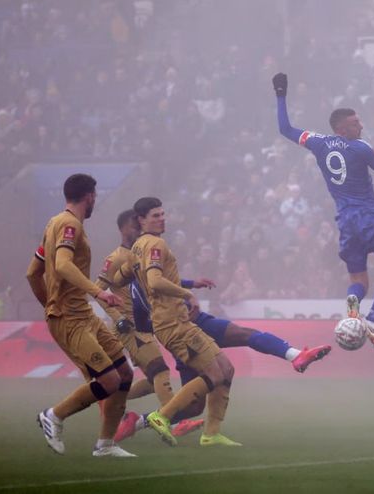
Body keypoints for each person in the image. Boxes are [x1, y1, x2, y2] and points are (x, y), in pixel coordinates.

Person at [272, 73, 374, 351]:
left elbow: (285, 128)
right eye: (354, 123)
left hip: (346, 223)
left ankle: (352, 314)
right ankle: (372, 319)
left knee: (358, 280)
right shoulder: (361, 148)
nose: (360, 126)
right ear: (341, 129)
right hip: (370, 217)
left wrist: (281, 94)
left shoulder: (318, 142)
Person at [115, 276, 331, 442]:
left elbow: (162, 284)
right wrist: (173, 315)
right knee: (201, 397)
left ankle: (139, 422)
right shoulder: (144, 261)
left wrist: (191, 285)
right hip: (185, 331)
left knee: (197, 404)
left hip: (190, 326)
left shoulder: (143, 267)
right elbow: (152, 293)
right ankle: (147, 419)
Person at [25, 173, 135, 458]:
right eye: (95, 196)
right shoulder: (70, 225)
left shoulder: (54, 224)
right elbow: (62, 265)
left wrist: (49, 303)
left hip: (83, 315)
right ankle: (53, 415)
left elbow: (33, 272)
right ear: (89, 196)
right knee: (109, 381)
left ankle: (105, 444)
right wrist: (97, 293)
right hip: (71, 319)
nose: (95, 200)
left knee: (125, 373)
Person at [116, 197, 239, 447]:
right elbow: (154, 281)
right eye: (155, 216)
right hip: (172, 323)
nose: (162, 219)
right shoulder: (155, 244)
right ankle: (162, 416)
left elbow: (119, 278)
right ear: (141, 220)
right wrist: (187, 294)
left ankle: (211, 433)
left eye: (163, 214)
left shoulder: (136, 248)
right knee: (215, 374)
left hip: (175, 321)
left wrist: (132, 284)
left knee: (227, 369)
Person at [94, 209, 209, 440]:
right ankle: (175, 423)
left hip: (144, 324)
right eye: (133, 225)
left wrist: (191, 283)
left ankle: (109, 397)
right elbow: (97, 291)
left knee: (151, 380)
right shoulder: (115, 258)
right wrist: (118, 317)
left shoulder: (139, 254)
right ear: (122, 229)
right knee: (160, 370)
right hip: (128, 326)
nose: (138, 229)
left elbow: (157, 280)